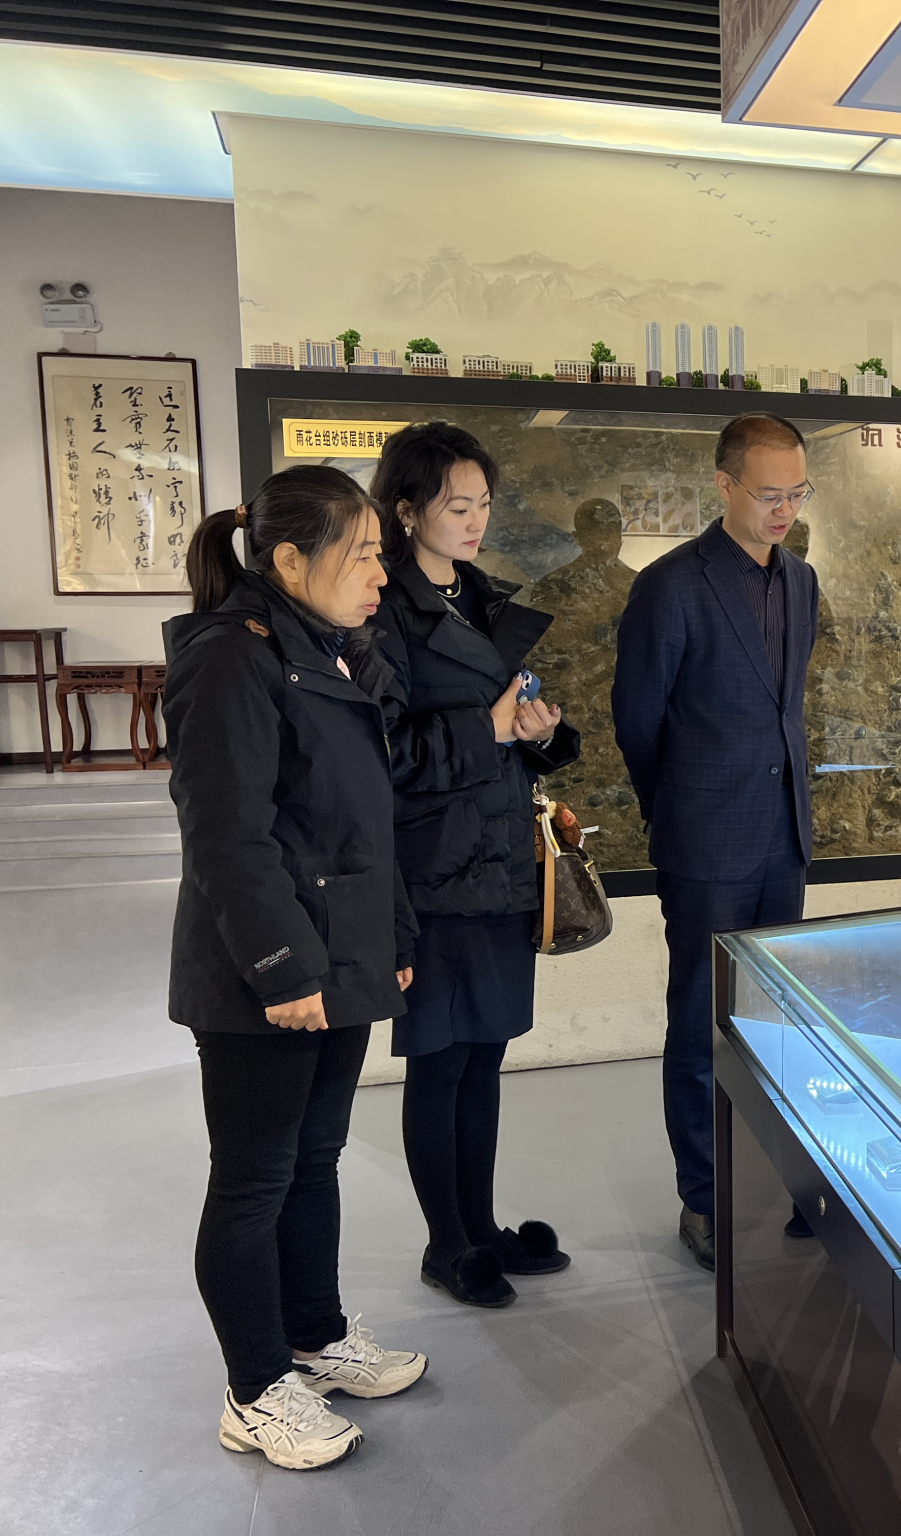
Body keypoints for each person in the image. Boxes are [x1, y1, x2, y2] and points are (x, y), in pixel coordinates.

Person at [165, 467, 428, 1472]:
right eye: (361, 555)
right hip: (264, 974)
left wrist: (393, 941)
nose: (379, 575)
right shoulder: (232, 657)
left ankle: (313, 1337)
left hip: (340, 955)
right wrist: (280, 970)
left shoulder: (330, 649)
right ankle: (254, 1388)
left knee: (313, 1160)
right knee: (253, 1179)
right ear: (287, 560)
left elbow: (364, 823)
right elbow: (227, 838)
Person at [369, 422, 583, 1309]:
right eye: (457, 505)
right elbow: (379, 752)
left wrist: (539, 731)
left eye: (484, 503)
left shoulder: (481, 597)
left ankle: (481, 1226)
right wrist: (488, 730)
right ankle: (445, 1243)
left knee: (486, 1053)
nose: (475, 520)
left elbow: (507, 723)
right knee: (441, 1058)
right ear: (406, 510)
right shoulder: (381, 608)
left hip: (498, 861)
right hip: (433, 867)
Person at [612, 412, 819, 1272]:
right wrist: (679, 809)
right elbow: (638, 720)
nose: (784, 510)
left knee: (778, 1024)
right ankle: (703, 1197)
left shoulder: (801, 580)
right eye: (769, 494)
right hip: (705, 839)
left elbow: (785, 704)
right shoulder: (671, 586)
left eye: (797, 494)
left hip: (783, 834)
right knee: (701, 1024)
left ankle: (786, 1184)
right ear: (724, 485)